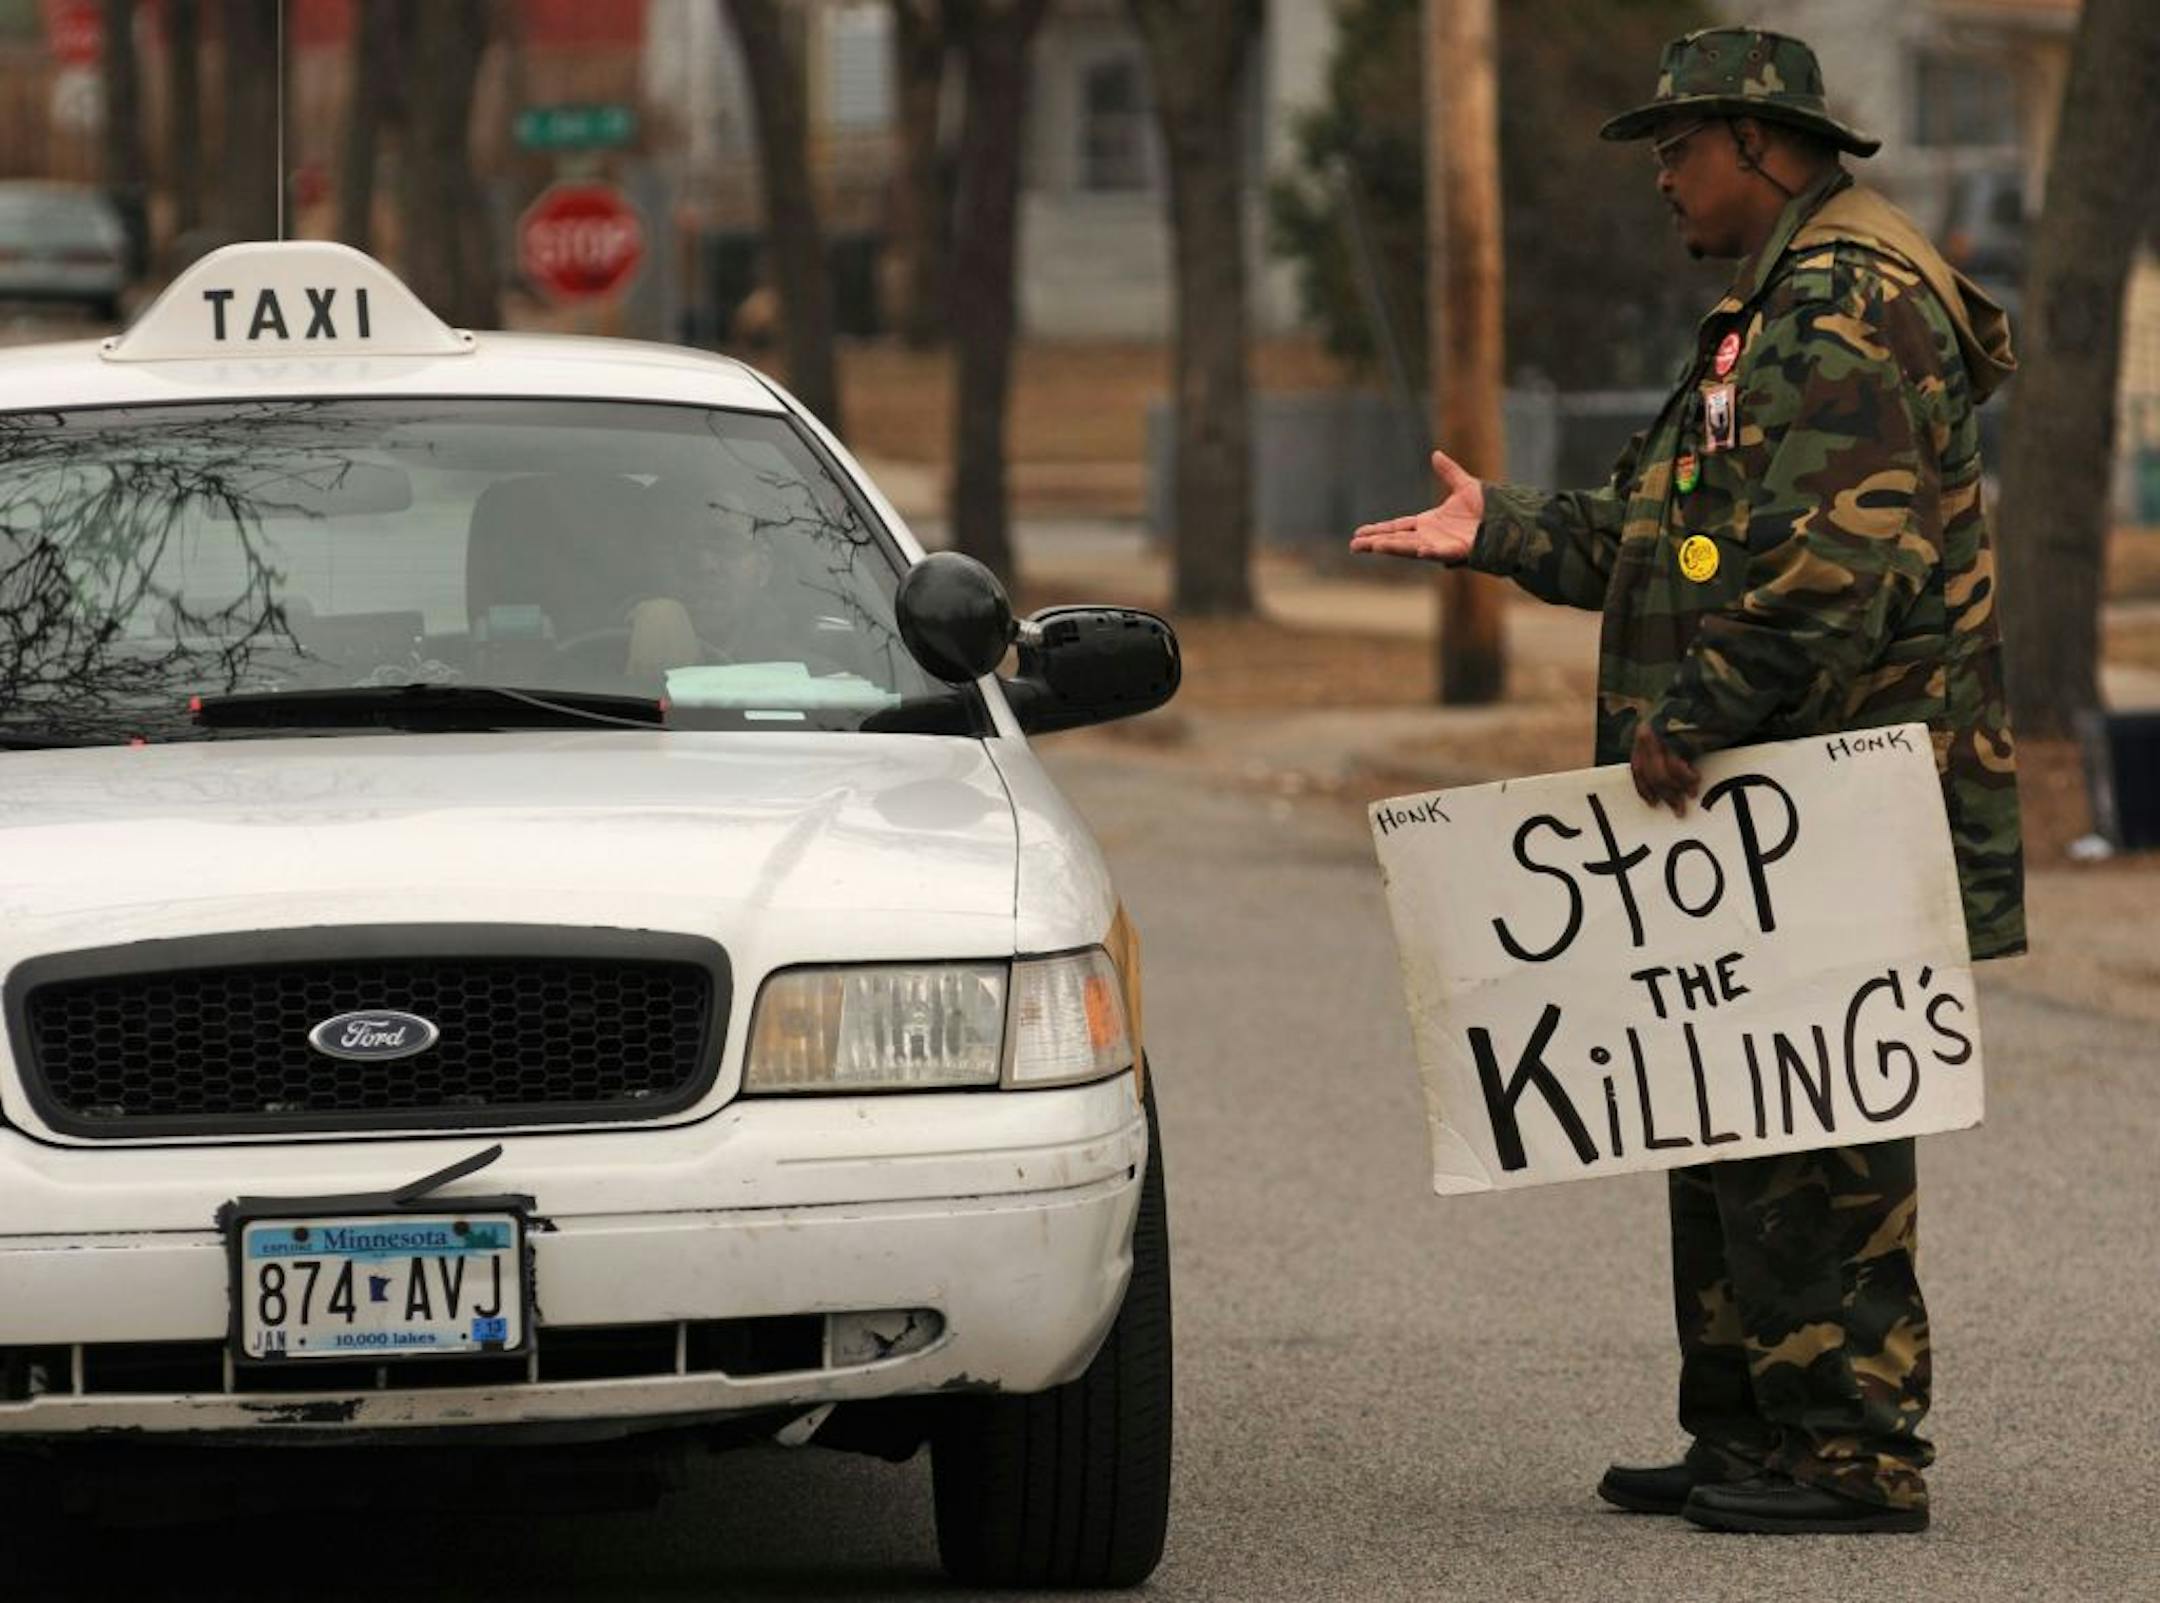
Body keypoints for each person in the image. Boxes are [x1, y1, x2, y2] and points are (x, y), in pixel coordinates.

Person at [1350, 27, 2023, 1535]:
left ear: (1762, 143)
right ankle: (1750, 1432)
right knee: (1721, 1098)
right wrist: (1505, 532)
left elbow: (1837, 568)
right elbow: (1686, 540)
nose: (1661, 177)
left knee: (1822, 1124)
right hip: (1761, 801)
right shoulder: (1765, 312)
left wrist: (1699, 709)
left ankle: (1853, 1452)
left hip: (1832, 800)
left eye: (1677, 146)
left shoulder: (1849, 307)